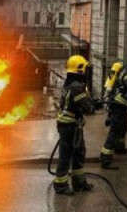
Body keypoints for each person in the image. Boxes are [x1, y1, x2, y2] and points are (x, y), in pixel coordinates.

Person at [53, 55, 98, 196]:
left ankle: (78, 181)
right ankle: (60, 185)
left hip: (73, 125)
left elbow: (80, 104)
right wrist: (93, 106)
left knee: (79, 153)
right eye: (84, 68)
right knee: (65, 156)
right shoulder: (77, 87)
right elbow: (87, 109)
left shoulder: (73, 84)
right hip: (68, 126)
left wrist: (91, 102)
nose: (86, 71)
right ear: (80, 70)